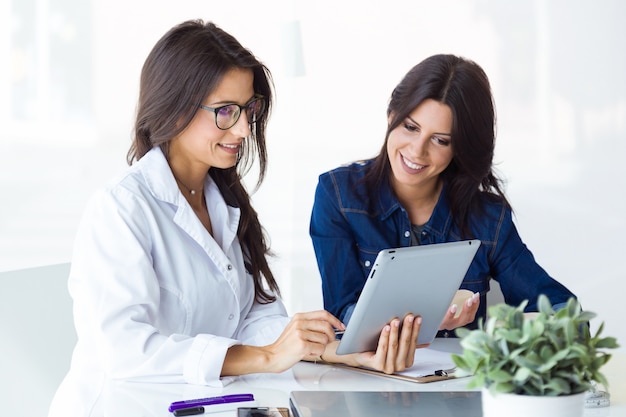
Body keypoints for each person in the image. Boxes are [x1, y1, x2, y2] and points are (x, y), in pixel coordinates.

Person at [48, 20, 420, 417]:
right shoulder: (121, 209)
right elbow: (124, 351)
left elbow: (251, 315)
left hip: (205, 405)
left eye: (249, 109)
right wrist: (266, 357)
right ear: (174, 109)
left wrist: (328, 350)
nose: (244, 128)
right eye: (225, 111)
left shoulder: (223, 200)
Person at [309, 54, 577, 337]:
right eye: (410, 127)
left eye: (441, 140)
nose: (416, 151)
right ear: (391, 117)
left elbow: (567, 314)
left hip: (458, 380)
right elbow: (339, 315)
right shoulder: (339, 196)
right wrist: (420, 320)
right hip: (369, 378)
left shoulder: (487, 218)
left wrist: (502, 327)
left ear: (460, 148)